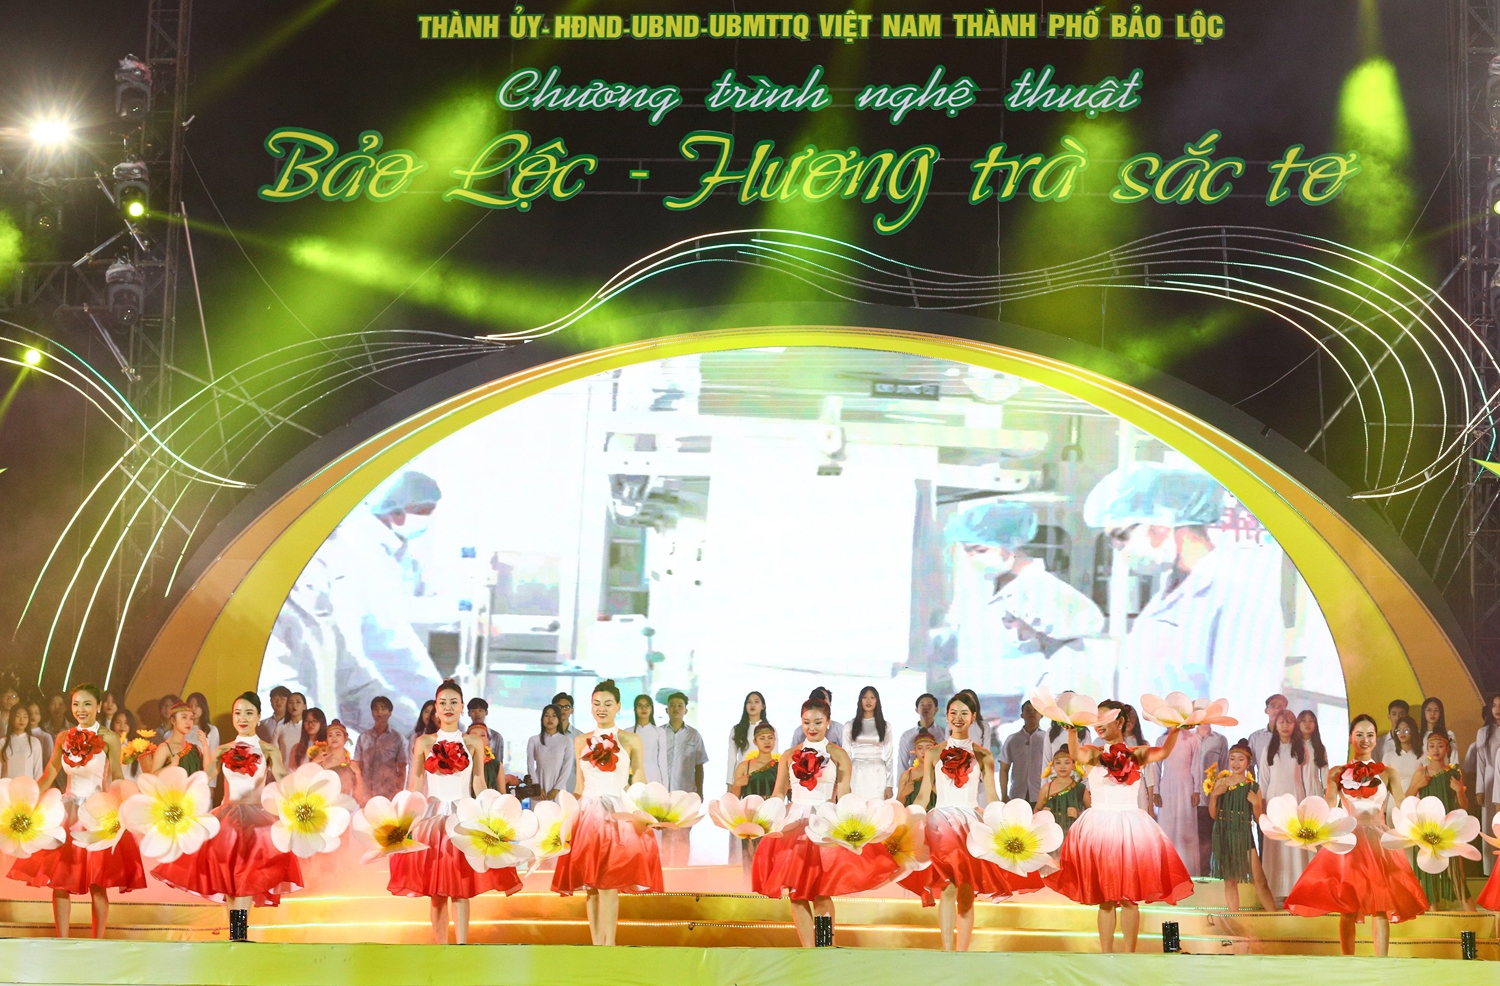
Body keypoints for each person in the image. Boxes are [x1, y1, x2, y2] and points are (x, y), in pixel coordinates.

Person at [1084, 466, 1295, 725]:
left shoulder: (1240, 597)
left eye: (1120, 537)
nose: (1118, 549)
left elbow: (1241, 716)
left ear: (1161, 526)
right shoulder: (1168, 592)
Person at [264, 471, 446, 736]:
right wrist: (343, 747)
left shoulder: (320, 615)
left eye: (332, 537)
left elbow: (358, 688)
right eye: (324, 540)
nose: (331, 551)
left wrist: (419, 729)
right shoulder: (268, 619)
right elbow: (281, 706)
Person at [1043, 699, 1194, 953]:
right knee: (1106, 898)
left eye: (1104, 720)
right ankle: (1106, 954)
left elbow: (1163, 753)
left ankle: (1129, 955)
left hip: (1130, 828)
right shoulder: (1092, 752)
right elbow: (1075, 753)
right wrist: (1071, 730)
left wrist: (1175, 730)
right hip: (1100, 827)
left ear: (1120, 721)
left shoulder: (1138, 753)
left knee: (1129, 898)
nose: (1099, 725)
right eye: (1096, 720)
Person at [150, 692, 301, 942]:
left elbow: (282, 778)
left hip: (257, 821)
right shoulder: (223, 750)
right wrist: (173, 785)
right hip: (228, 820)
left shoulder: (268, 749)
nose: (243, 718)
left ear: (259, 717)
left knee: (245, 880)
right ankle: (237, 936)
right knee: (232, 883)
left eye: (249, 713)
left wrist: (299, 795)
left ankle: (238, 936)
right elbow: (203, 778)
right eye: (238, 713)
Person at [901, 692, 1043, 951]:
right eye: (953, 713)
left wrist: (1005, 824)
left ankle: (962, 952)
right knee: (948, 885)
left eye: (964, 713)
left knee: (966, 890)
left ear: (973, 717)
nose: (958, 718)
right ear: (947, 716)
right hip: (941, 822)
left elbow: (992, 796)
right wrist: (907, 820)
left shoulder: (983, 755)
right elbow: (923, 795)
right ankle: (947, 951)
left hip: (971, 823)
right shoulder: (934, 753)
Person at [751, 697, 896, 947]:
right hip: (795, 824)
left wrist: (854, 826)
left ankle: (825, 946)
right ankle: (809, 950)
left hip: (824, 821)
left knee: (821, 892)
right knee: (796, 893)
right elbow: (778, 792)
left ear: (828, 722)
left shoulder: (838, 754)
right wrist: (764, 819)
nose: (812, 727)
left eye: (818, 722)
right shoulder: (789, 755)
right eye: (807, 722)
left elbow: (845, 794)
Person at [7, 684, 146, 937]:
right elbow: (50, 773)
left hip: (97, 812)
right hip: (67, 812)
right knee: (60, 881)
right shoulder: (64, 736)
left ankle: (98, 941)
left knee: (98, 883)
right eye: (76, 704)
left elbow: (117, 775)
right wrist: (29, 801)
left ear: (99, 706)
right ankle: (62, 940)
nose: (81, 709)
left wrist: (122, 806)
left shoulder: (109, 738)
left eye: (87, 704)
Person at [1286, 714, 1429, 956]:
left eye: (1370, 735)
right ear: (1351, 737)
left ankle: (1382, 963)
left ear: (1375, 739)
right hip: (1349, 840)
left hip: (1379, 842)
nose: (1365, 739)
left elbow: (1402, 803)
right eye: (1360, 734)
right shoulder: (1337, 772)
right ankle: (1347, 962)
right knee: (1348, 907)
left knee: (1380, 907)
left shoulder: (1388, 772)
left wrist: (1420, 823)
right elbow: (1330, 803)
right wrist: (1311, 822)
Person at [388, 680, 519, 944]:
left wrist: (490, 815)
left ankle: (461, 946)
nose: (448, 707)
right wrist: (405, 818)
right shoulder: (424, 742)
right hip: (433, 818)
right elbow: (415, 784)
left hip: (463, 815)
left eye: (453, 702)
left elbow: (479, 783)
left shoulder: (473, 741)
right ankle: (441, 947)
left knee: (460, 888)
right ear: (436, 708)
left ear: (461, 707)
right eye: (442, 703)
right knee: (436, 892)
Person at [945, 501, 1104, 694]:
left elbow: (1089, 624)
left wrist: (1032, 629)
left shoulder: (1045, 589)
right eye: (967, 551)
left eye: (980, 550)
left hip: (1021, 701)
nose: (972, 558)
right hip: (970, 698)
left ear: (1010, 547)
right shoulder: (977, 588)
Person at [552, 679, 662, 945]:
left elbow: (639, 780)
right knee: (591, 887)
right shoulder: (581, 741)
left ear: (618, 707)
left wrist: (646, 812)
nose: (601, 708)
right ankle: (596, 945)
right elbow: (579, 786)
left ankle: (609, 946)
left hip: (618, 815)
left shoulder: (630, 739)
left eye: (608, 704)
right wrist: (563, 817)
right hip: (587, 815)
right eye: (596, 703)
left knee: (610, 884)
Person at [1404, 731, 1470, 909]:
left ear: (1447, 748)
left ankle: (1472, 915)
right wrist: (1417, 785)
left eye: (1440, 746)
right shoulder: (1421, 773)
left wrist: (1459, 790)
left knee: (1456, 872)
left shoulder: (1454, 773)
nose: (1436, 750)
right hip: (1426, 828)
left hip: (1448, 829)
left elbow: (1463, 807)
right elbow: (1406, 799)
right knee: (1429, 873)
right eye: (1432, 746)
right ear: (1427, 749)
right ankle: (1433, 913)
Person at [1208, 741, 1276, 912]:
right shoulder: (1221, 782)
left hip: (1243, 834)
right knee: (1230, 881)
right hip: (1223, 833)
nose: (1236, 763)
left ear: (1248, 762)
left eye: (1240, 759)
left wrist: (1256, 804)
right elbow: (1214, 815)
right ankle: (1235, 919)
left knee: (1259, 880)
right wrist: (1214, 796)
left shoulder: (1253, 787)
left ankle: (1275, 917)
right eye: (1232, 759)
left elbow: (1259, 819)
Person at [1259, 708, 1306, 904]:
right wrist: (1262, 808)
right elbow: (1263, 781)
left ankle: (1297, 889)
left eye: (1289, 722)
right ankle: (1276, 890)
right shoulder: (1268, 750)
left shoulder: (1301, 749)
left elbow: (1306, 778)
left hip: (1296, 799)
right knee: (1276, 845)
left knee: (1294, 844)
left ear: (1294, 725)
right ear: (1275, 726)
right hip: (1274, 800)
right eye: (1281, 722)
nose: (1285, 726)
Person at [660, 691, 707, 866]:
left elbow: (699, 765)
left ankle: (681, 871)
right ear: (666, 709)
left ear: (686, 710)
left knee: (683, 834)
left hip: (686, 793)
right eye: (672, 705)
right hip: (663, 793)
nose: (676, 708)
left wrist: (699, 791)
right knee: (665, 834)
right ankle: (665, 872)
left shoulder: (694, 735)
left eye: (680, 705)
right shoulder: (659, 733)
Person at [1151, 719, 1202, 874]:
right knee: (1166, 826)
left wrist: (1197, 790)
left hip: (1186, 785)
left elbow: (1196, 765)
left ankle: (1188, 869)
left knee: (1186, 825)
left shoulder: (1193, 738)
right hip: (1167, 786)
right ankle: (1166, 868)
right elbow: (1156, 767)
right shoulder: (1161, 740)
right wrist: (1156, 791)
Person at [730, 722, 779, 878]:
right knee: (751, 854)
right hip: (751, 817)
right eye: (762, 738)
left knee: (772, 855)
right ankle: (750, 887)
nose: (766, 741)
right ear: (755, 741)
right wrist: (737, 784)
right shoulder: (744, 766)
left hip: (772, 818)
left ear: (775, 740)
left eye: (770, 737)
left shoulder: (780, 767)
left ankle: (770, 887)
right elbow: (734, 798)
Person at [1462, 694, 1500, 875]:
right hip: (1490, 781)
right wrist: (1479, 790)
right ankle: (1490, 870)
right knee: (1490, 825)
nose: (1498, 709)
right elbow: (1481, 764)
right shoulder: (1483, 732)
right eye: (1494, 705)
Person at [843, 686, 894, 801]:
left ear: (877, 701)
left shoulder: (885, 726)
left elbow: (889, 756)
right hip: (857, 772)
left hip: (878, 772)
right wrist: (845, 783)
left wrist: (889, 784)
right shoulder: (850, 725)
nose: (868, 701)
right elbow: (845, 755)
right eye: (865, 697)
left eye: (872, 697)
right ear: (860, 700)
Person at [353, 695, 407, 803]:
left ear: (390, 712)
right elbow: (357, 766)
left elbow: (402, 768)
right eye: (376, 709)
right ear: (372, 713)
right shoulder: (363, 737)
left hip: (388, 793)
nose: (379, 712)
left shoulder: (397, 738)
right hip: (366, 792)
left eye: (383, 708)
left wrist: (399, 792)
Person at [1194, 722, 1230, 874]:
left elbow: (1224, 768)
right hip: (1190, 798)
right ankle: (1193, 873)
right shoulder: (1188, 737)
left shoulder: (1220, 739)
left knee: (1208, 839)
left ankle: (1208, 873)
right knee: (1192, 840)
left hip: (1211, 799)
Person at [999, 701, 1047, 804]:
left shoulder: (1047, 739)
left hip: (1042, 795)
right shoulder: (1012, 739)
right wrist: (1004, 795)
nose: (1032, 713)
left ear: (1042, 715)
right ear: (1022, 715)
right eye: (1028, 710)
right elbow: (1004, 769)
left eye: (1035, 710)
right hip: (1017, 794)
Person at [149, 701, 212, 776]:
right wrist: (172, 765)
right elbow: (153, 776)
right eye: (184, 717)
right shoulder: (164, 748)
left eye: (191, 718)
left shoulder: (194, 749)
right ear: (173, 720)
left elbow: (207, 773)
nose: (188, 722)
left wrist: (205, 745)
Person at [525, 704, 571, 800]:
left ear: (559, 719)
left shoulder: (566, 741)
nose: (550, 719)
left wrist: (557, 788)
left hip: (558, 792)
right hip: (538, 793)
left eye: (554, 716)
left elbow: (567, 766)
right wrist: (537, 787)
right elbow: (530, 766)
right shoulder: (534, 740)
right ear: (542, 719)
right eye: (547, 715)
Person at [1038, 748, 1088, 834]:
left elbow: (1091, 813)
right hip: (1051, 834)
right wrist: (1042, 813)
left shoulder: (1081, 788)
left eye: (1067, 763)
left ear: (1073, 765)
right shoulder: (1046, 788)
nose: (1062, 766)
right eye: (1058, 763)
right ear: (1053, 765)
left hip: (1073, 834)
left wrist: (1078, 814)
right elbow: (1037, 809)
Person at [897, 694, 947, 778]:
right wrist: (902, 783)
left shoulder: (944, 734)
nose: (926, 708)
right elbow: (902, 763)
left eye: (929, 705)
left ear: (936, 709)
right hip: (914, 779)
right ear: (917, 710)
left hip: (938, 779)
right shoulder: (907, 736)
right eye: (922, 705)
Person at [726, 691, 769, 786]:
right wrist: (730, 783)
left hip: (763, 777)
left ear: (763, 706)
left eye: (756, 702)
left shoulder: (769, 730)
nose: (752, 705)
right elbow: (732, 758)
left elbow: (773, 757)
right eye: (749, 702)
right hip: (741, 776)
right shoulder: (737, 729)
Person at [625, 694, 669, 785]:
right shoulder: (627, 732)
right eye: (640, 706)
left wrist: (665, 787)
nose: (643, 709)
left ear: (652, 709)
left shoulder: (659, 732)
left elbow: (662, 762)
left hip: (654, 776)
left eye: (647, 706)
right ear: (635, 709)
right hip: (634, 776)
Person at [322, 720, 364, 802]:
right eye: (330, 735)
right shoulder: (321, 762)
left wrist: (358, 774)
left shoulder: (351, 764)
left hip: (344, 806)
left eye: (338, 735)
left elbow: (358, 797)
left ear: (345, 738)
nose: (334, 738)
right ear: (326, 739)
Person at [1247, 695, 1290, 771]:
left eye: (1280, 707)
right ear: (1266, 710)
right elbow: (1250, 765)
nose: (1277, 710)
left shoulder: (1292, 736)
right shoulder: (1255, 737)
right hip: (1263, 779)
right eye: (1273, 706)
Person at [2, 705, 44, 780]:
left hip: (27, 785)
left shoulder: (34, 742)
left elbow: (38, 770)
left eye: (25, 717)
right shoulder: (3, 742)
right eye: (18, 716)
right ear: (12, 718)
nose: (22, 720)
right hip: (7, 785)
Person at [897, 731, 938, 809]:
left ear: (935, 749)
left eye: (928, 748)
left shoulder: (940, 773)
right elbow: (898, 806)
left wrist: (938, 792)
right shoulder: (907, 775)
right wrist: (903, 794)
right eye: (920, 748)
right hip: (913, 815)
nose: (924, 752)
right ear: (915, 750)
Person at [551, 692, 582, 795]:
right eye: (559, 707)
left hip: (571, 791)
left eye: (567, 707)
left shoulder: (580, 737)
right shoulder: (544, 737)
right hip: (548, 791)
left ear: (572, 710)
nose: (563, 710)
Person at [1297, 711, 1330, 806]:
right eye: (1304, 721)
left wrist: (1327, 793)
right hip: (1297, 788)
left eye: (1311, 721)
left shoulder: (1319, 747)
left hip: (1315, 788)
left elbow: (1324, 772)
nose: (1307, 724)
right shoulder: (1293, 746)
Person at [1386, 716, 1422, 795]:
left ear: (1413, 731)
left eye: (1406, 730)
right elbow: (1384, 783)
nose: (1402, 733)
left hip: (1417, 798)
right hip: (1394, 798)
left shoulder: (1423, 756)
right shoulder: (1388, 756)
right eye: (1398, 730)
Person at [1418, 697, 1457, 766]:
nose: (1432, 713)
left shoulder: (1449, 734)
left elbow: (1454, 758)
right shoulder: (1418, 735)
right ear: (1423, 712)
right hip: (1424, 771)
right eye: (1429, 710)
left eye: (1436, 710)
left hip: (1444, 771)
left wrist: (1454, 771)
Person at [467, 697, 504, 768]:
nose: (477, 714)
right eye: (473, 711)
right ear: (469, 713)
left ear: (486, 712)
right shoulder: (463, 736)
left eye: (480, 711)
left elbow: (499, 763)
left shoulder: (496, 737)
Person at [273, 692, 307, 766]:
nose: (294, 705)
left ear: (304, 706)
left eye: (298, 702)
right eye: (291, 702)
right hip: (284, 771)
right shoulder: (280, 729)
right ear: (287, 707)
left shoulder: (309, 729)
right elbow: (273, 754)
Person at [466, 722, 500, 793]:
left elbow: (502, 793)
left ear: (488, 741)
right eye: (474, 735)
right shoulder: (460, 762)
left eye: (482, 735)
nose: (478, 738)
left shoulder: (496, 765)